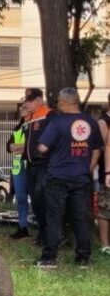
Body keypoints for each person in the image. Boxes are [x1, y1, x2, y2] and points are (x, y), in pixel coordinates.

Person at [35, 88, 103, 269]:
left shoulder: (57, 122)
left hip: (57, 177)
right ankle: (83, 258)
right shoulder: (91, 122)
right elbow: (96, 150)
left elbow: (42, 147)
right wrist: (87, 169)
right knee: (80, 218)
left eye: (58, 101)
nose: (57, 104)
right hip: (81, 177)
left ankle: (49, 258)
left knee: (54, 217)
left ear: (65, 102)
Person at [20, 88, 53, 244]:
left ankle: (49, 234)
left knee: (42, 197)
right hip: (30, 164)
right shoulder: (29, 118)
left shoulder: (49, 114)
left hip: (44, 164)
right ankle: (42, 232)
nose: (26, 103)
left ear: (39, 100)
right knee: (34, 199)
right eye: (26, 100)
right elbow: (20, 140)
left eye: (30, 100)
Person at [7, 110, 30, 239]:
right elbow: (8, 146)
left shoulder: (35, 126)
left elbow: (32, 146)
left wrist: (17, 147)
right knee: (21, 199)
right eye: (22, 109)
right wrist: (21, 147)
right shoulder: (18, 128)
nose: (23, 111)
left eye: (25, 108)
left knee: (37, 200)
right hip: (18, 169)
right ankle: (23, 227)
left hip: (31, 168)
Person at [97, 92, 110, 256]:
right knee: (105, 209)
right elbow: (104, 147)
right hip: (106, 172)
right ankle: (105, 244)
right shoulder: (103, 121)